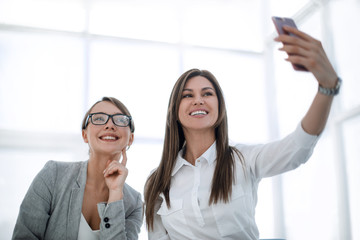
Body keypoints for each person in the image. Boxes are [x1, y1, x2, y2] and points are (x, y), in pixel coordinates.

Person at [144, 26, 341, 239]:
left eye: (207, 93)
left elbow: (297, 148)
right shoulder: (157, 181)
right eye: (187, 95)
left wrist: (326, 88)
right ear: (175, 110)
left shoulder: (243, 159)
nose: (198, 100)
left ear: (219, 107)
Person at [12, 97, 143, 240]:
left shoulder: (134, 203)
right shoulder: (53, 175)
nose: (110, 125)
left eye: (121, 120)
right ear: (84, 135)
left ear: (130, 138)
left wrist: (116, 193)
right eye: (99, 119)